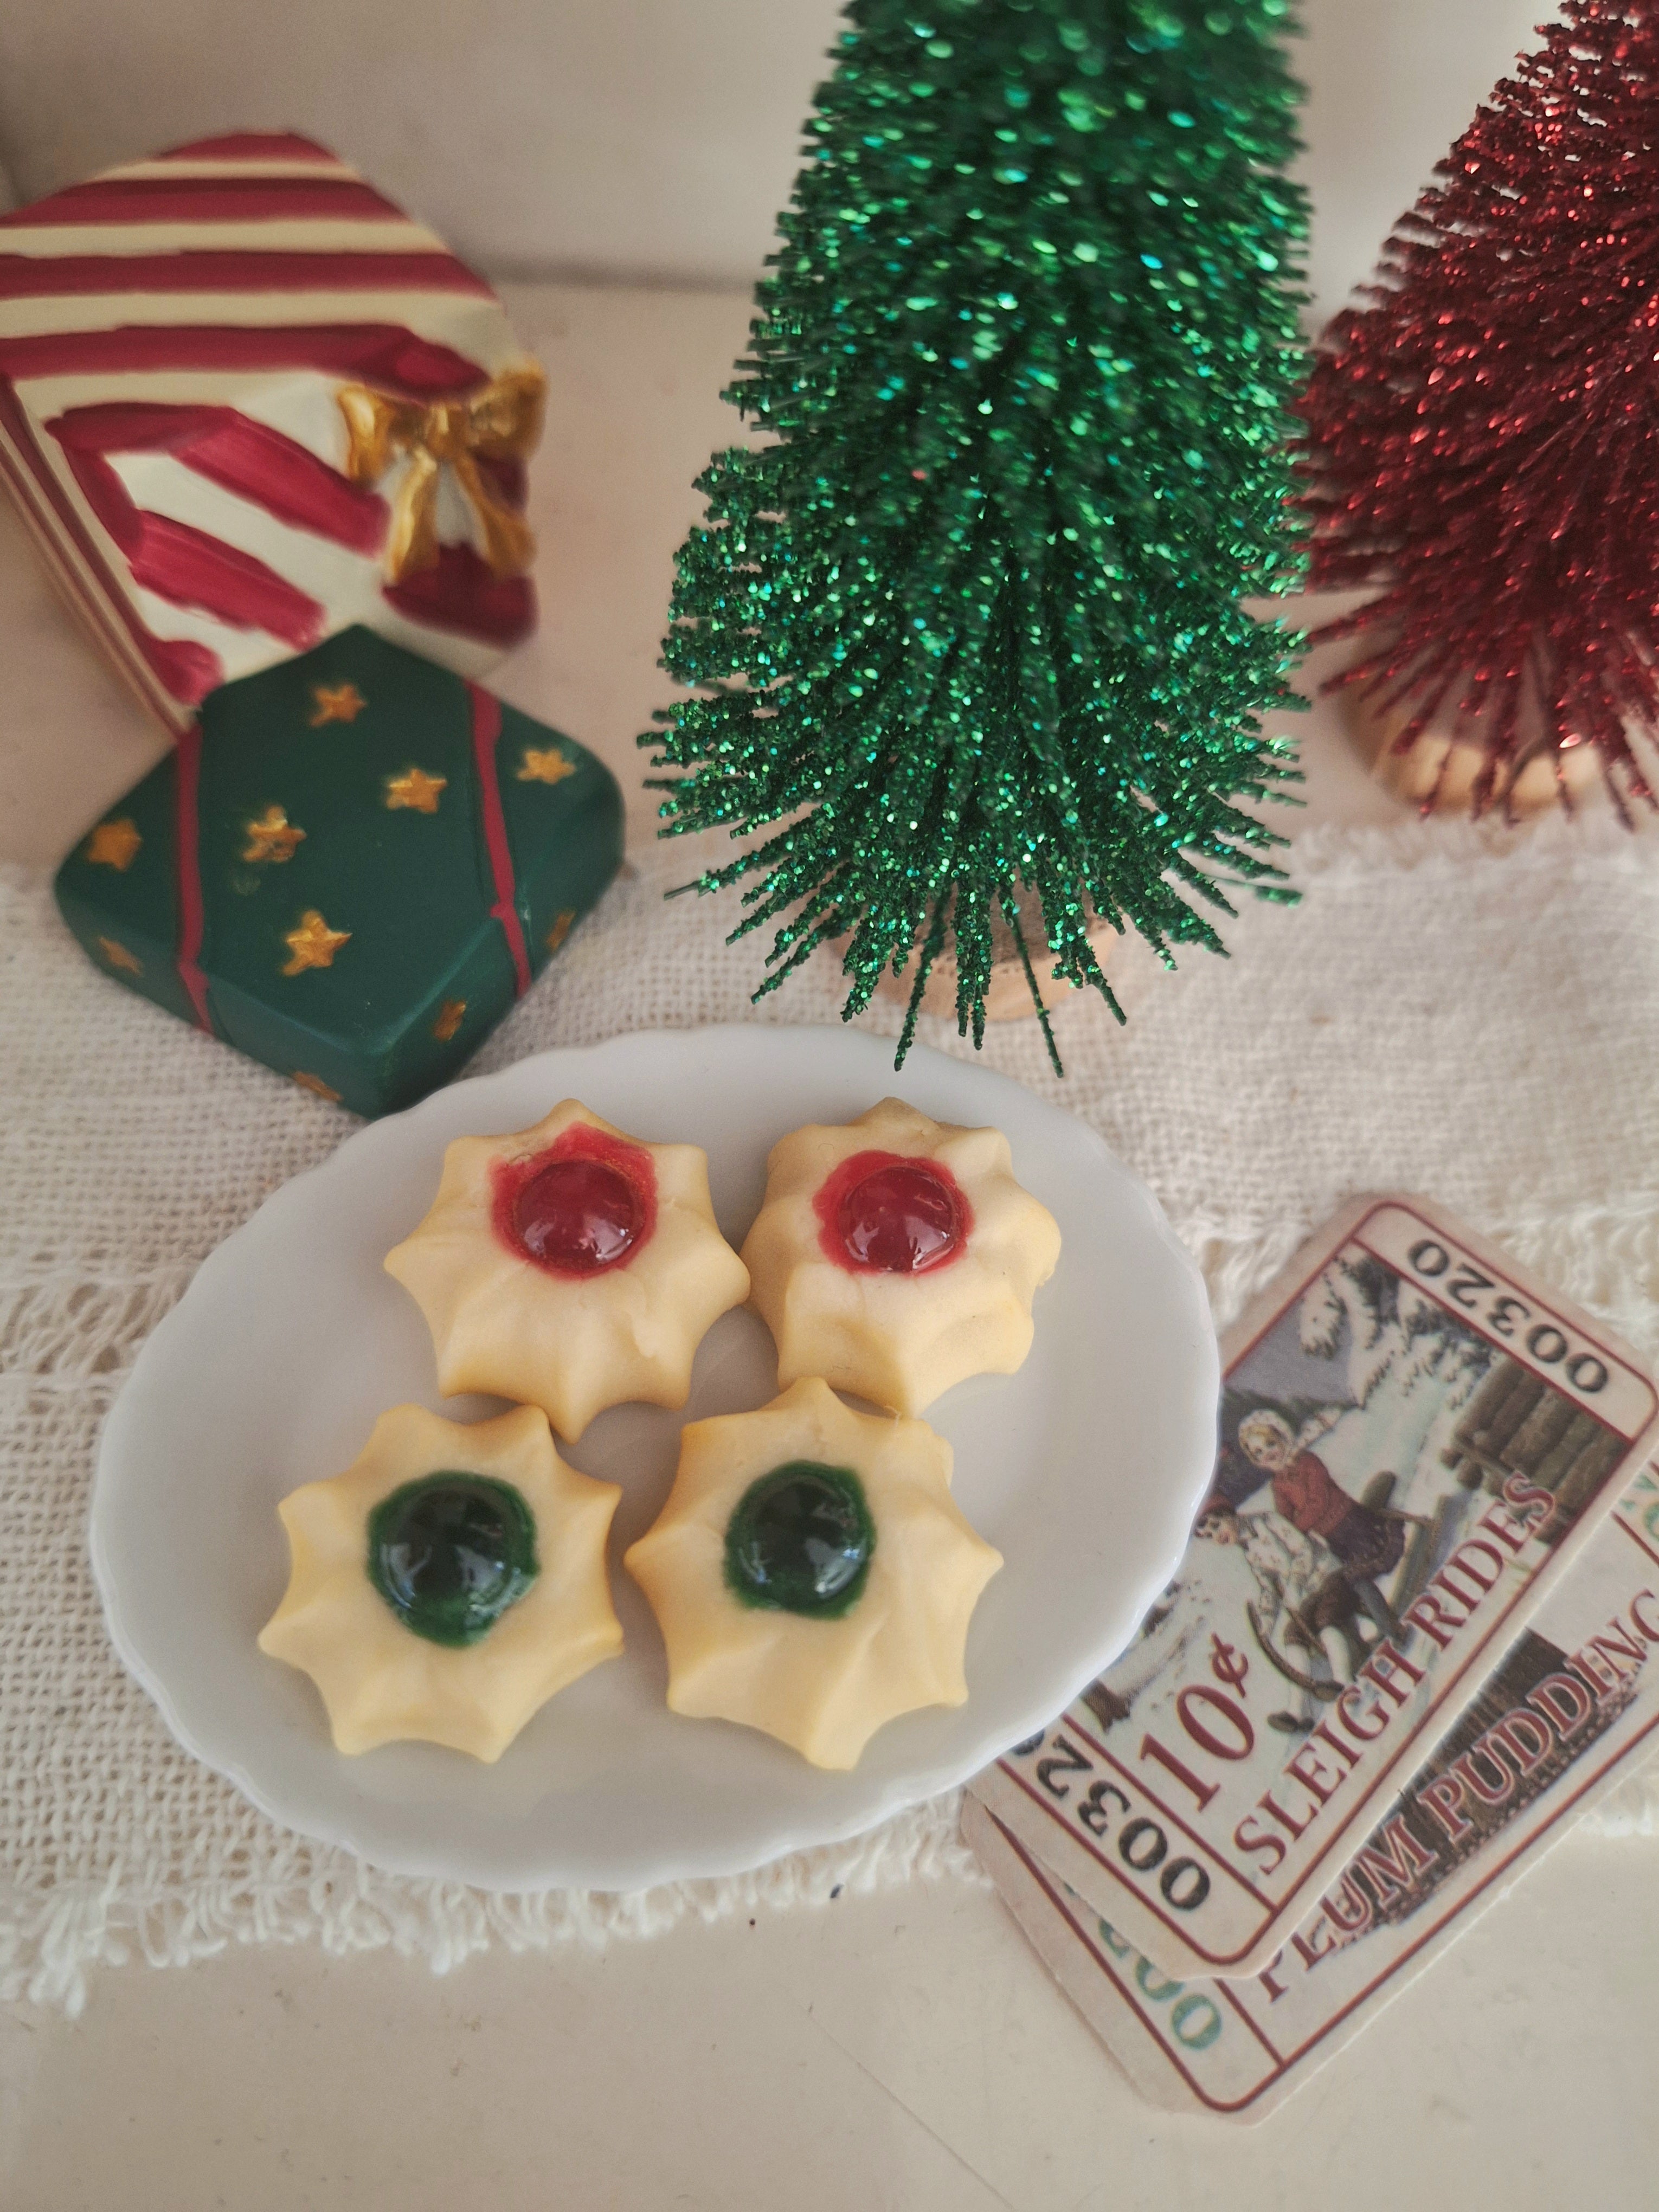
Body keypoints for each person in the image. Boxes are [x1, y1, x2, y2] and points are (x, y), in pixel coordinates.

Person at [1234, 1408, 1405, 1640]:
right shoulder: (1279, 1484)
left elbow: (1319, 1501)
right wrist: (1286, 1533)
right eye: (1258, 1452)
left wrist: (1296, 1529)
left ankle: (1390, 1628)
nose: (1267, 1454)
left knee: (1359, 1578)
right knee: (1344, 1585)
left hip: (1353, 1527)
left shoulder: (1307, 1462)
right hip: (1333, 1542)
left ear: (1283, 1438)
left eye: (1270, 1444)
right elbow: (1284, 1518)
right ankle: (1358, 1632)